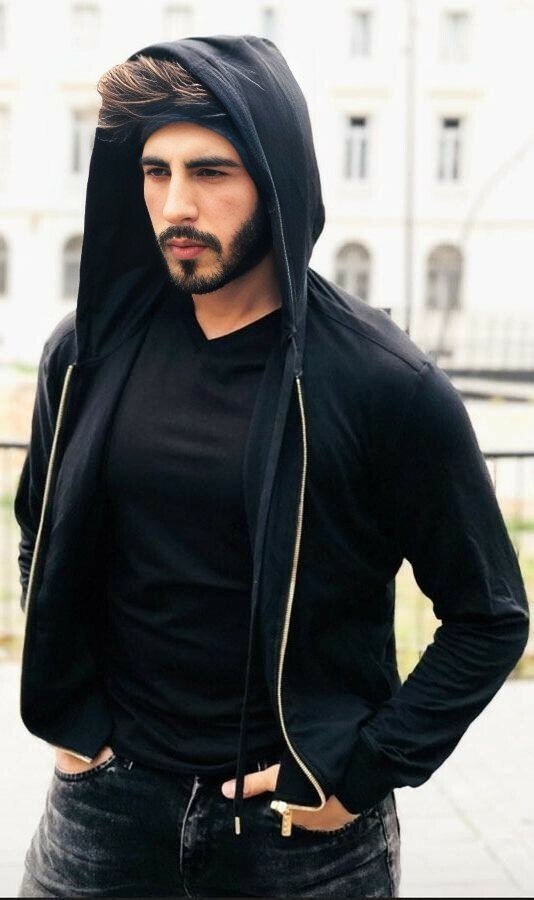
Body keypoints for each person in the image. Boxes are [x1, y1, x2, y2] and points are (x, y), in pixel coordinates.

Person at [14, 34, 528, 899]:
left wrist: (358, 775)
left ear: (276, 180)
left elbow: (489, 617)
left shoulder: (382, 382)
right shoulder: (86, 354)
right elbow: (41, 532)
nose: (176, 204)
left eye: (210, 172)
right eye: (155, 172)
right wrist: (75, 722)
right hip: (102, 811)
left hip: (298, 838)